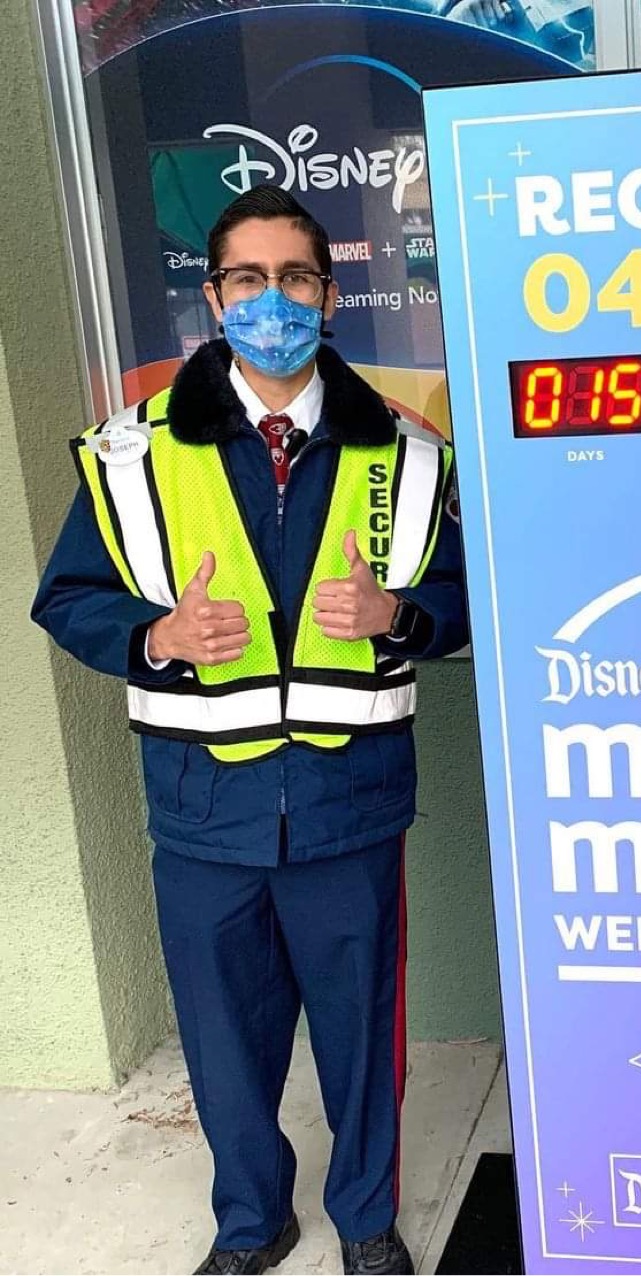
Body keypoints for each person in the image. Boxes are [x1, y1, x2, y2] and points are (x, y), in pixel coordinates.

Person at [32, 185, 467, 1276]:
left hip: (348, 800)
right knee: (224, 1042)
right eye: (249, 278)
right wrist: (157, 634)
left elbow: (465, 600)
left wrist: (398, 616)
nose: (273, 301)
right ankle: (251, 1220)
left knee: (363, 1033)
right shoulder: (131, 454)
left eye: (296, 277)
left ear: (330, 294)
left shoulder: (409, 454)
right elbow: (70, 599)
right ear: (215, 297)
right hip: (203, 808)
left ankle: (365, 1220)